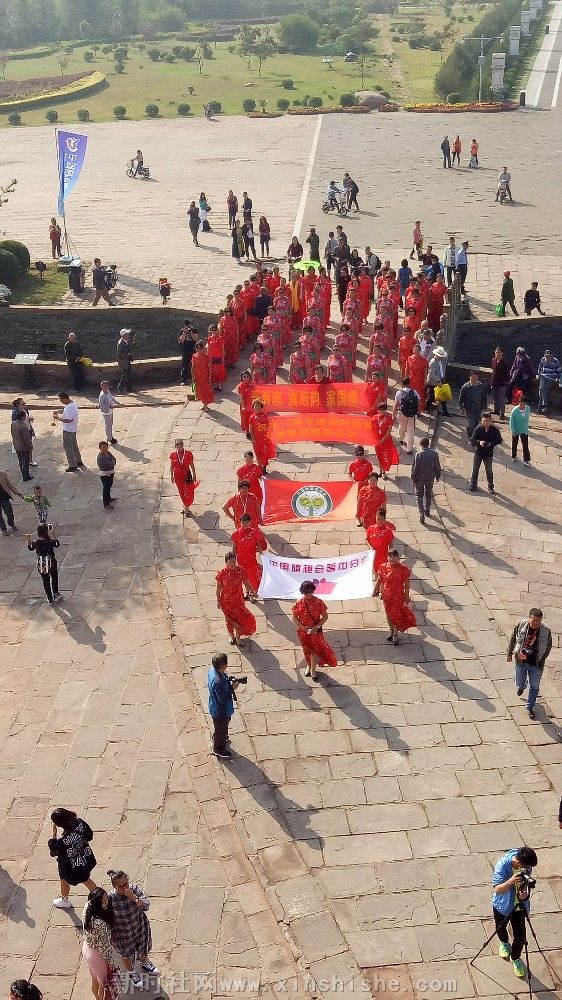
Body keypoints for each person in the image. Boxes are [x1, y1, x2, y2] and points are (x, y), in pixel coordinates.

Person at [491, 846, 538, 977]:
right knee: (500, 927)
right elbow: (497, 889)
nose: (528, 868)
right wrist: (511, 881)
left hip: (519, 906)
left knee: (520, 937)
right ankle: (504, 942)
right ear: (519, 862)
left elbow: (527, 883)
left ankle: (515, 957)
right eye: (526, 866)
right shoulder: (502, 865)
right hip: (503, 904)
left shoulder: (526, 864)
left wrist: (526, 893)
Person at [107, 869, 158, 988]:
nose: (126, 887)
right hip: (122, 933)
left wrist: (134, 898)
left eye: (126, 883)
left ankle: (144, 963)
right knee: (126, 956)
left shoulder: (134, 889)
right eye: (122, 886)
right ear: (115, 886)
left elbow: (146, 905)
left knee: (143, 948)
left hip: (139, 926)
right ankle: (132, 972)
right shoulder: (110, 899)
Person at [507, 608, 552, 720]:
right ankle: (522, 686)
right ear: (529, 618)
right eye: (533, 620)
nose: (536, 623)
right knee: (519, 681)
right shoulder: (521, 625)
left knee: (535, 686)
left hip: (536, 664)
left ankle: (530, 707)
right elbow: (513, 638)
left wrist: (542, 659)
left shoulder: (546, 630)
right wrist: (510, 653)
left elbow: (548, 646)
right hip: (521, 661)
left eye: (538, 621)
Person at [48, 807, 96, 907]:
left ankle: (65, 900)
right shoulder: (80, 823)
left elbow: (54, 851)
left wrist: (54, 836)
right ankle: (98, 897)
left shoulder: (63, 841)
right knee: (86, 879)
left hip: (70, 866)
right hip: (84, 858)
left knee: (64, 880)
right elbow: (89, 836)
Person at [292, 580, 337, 679]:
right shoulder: (298, 603)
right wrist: (303, 627)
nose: (308, 595)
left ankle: (312, 669)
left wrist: (317, 626)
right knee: (306, 650)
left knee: (314, 651)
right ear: (302, 592)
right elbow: (294, 618)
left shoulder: (318, 602)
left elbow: (325, 617)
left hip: (316, 632)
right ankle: (309, 665)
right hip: (303, 632)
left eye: (310, 592)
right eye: (306, 593)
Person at [82, 887, 121, 1000]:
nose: (106, 903)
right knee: (103, 984)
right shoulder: (101, 924)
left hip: (88, 948)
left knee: (94, 978)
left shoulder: (88, 906)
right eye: (103, 902)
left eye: (106, 899)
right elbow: (104, 947)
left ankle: (96, 997)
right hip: (98, 955)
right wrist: (110, 962)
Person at [374, 549, 416, 645]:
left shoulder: (403, 568)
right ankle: (391, 630)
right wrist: (378, 591)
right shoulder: (383, 567)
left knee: (396, 615)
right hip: (387, 596)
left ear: (398, 557)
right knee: (388, 615)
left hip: (398, 596)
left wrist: (406, 596)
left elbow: (407, 584)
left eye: (394, 556)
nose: (392, 558)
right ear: (387, 557)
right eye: (390, 556)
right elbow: (380, 580)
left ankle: (396, 634)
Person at [215, 551, 257, 646]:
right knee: (229, 620)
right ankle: (231, 634)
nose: (233, 564)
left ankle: (238, 637)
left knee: (240, 619)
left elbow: (246, 582)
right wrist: (218, 600)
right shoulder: (221, 573)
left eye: (234, 561)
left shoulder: (240, 571)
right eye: (230, 562)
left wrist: (253, 592)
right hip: (226, 602)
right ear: (226, 562)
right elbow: (218, 589)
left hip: (238, 601)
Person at [207, 652, 239, 759]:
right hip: (220, 711)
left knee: (220, 728)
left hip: (214, 706)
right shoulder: (218, 682)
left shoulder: (212, 670)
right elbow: (223, 699)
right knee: (221, 728)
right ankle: (218, 748)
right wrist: (232, 689)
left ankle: (218, 737)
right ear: (224, 665)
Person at [231, 513, 267, 593]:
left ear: (250, 522)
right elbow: (234, 548)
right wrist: (233, 560)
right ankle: (247, 591)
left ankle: (254, 591)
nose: (245, 524)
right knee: (244, 576)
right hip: (241, 560)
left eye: (247, 522)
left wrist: (261, 554)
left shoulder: (254, 532)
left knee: (253, 575)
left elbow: (258, 543)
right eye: (243, 522)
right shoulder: (236, 534)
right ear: (240, 522)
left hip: (251, 559)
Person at [27, 523, 61, 603]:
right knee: (54, 577)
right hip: (51, 562)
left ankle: (50, 598)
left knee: (45, 581)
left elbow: (30, 548)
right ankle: (56, 593)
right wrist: (54, 534)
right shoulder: (50, 541)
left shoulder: (36, 542)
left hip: (42, 563)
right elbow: (57, 544)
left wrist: (29, 539)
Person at [469, 412, 502, 494]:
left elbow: (499, 440)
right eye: (484, 421)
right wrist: (479, 442)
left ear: (490, 421)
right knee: (475, 469)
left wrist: (491, 444)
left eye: (487, 421)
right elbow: (472, 439)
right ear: (481, 421)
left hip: (488, 454)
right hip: (478, 452)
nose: (485, 423)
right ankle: (473, 485)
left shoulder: (495, 430)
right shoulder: (478, 429)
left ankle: (490, 487)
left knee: (489, 471)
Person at [411, 436, 441, 523]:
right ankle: (427, 510)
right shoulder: (434, 454)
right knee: (428, 494)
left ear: (421, 444)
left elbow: (414, 469)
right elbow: (437, 466)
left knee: (419, 496)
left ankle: (421, 513)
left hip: (420, 479)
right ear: (428, 444)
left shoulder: (418, 454)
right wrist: (437, 476)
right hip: (430, 478)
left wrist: (413, 479)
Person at [53, 392, 82, 473]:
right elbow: (65, 409)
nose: (61, 401)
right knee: (74, 445)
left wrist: (58, 418)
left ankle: (72, 465)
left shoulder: (69, 407)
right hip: (73, 429)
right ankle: (78, 460)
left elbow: (68, 420)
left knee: (68, 447)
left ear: (65, 399)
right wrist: (57, 411)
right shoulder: (72, 403)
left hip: (68, 430)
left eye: (61, 399)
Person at [170, 439, 197, 516]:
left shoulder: (188, 454)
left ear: (183, 444)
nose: (179, 445)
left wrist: (194, 474)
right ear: (175, 446)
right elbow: (172, 466)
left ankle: (186, 506)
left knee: (188, 492)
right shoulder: (173, 455)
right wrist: (171, 476)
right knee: (181, 492)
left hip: (187, 477)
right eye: (177, 444)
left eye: (181, 444)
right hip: (178, 477)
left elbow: (192, 465)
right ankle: (186, 508)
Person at [393, 377, 419, 454]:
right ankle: (409, 449)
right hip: (412, 415)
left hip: (402, 414)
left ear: (402, 384)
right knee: (411, 432)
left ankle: (401, 439)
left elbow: (395, 405)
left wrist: (393, 415)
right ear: (409, 383)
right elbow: (418, 401)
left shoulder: (399, 393)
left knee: (402, 426)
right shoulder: (414, 392)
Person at [248, 400, 276, 474]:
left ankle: (264, 468)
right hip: (256, 440)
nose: (257, 408)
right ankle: (259, 467)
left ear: (261, 407)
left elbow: (270, 425)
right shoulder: (252, 417)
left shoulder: (265, 416)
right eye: (255, 406)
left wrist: (269, 434)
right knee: (257, 453)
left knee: (265, 453)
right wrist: (253, 438)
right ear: (253, 407)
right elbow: (251, 429)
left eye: (258, 406)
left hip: (265, 439)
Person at [459, 371, 488, 439]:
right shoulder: (465, 387)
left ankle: (470, 430)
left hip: (478, 407)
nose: (475, 379)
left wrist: (484, 406)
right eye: (473, 377)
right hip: (469, 408)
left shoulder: (480, 386)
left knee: (476, 422)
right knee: (472, 423)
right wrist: (461, 407)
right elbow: (461, 398)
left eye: (476, 377)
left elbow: (483, 396)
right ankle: (471, 436)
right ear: (470, 377)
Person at [11, 410, 33, 482]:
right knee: (25, 462)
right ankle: (26, 476)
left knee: (20, 460)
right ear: (23, 417)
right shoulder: (23, 426)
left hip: (17, 445)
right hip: (23, 447)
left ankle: (22, 472)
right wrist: (30, 446)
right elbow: (27, 439)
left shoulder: (13, 424)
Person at [191, 341, 214, 411]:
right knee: (200, 391)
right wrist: (193, 376)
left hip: (205, 376)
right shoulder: (194, 356)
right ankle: (204, 404)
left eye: (201, 348)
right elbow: (193, 367)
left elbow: (210, 368)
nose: (199, 350)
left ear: (204, 348)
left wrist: (209, 377)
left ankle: (205, 405)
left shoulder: (208, 357)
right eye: (198, 349)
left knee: (205, 391)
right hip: (197, 376)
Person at [425, 346, 449, 415]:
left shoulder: (439, 361)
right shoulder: (433, 362)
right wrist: (438, 381)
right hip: (433, 382)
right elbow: (432, 374)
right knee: (431, 397)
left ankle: (445, 411)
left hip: (439, 381)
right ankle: (426, 408)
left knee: (442, 397)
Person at [537, 349, 561, 413]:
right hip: (543, 375)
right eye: (546, 356)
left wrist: (558, 378)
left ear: (551, 355)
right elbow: (539, 368)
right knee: (541, 388)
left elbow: (559, 370)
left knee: (545, 390)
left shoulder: (555, 360)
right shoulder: (542, 359)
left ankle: (539, 408)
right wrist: (539, 374)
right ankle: (545, 405)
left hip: (552, 376)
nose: (547, 357)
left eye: (548, 356)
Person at [509, 396, 531, 465]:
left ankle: (526, 460)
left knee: (525, 445)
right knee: (514, 443)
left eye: (522, 403)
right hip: (516, 429)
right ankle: (513, 456)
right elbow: (511, 421)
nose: (521, 404)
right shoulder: (515, 410)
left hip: (524, 429)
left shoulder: (528, 409)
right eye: (520, 403)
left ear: (525, 403)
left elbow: (526, 419)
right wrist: (513, 431)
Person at [0, 469, 23, 535]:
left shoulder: (3, 474)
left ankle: (11, 523)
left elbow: (9, 485)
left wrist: (17, 492)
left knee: (10, 513)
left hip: (4, 498)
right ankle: (3, 529)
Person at [491, 346, 510, 419]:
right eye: (496, 352)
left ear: (502, 353)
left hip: (501, 384)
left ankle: (502, 413)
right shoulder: (493, 360)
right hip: (494, 382)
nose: (497, 354)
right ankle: (496, 410)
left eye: (498, 352)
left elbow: (507, 375)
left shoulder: (505, 363)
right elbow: (493, 371)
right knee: (495, 398)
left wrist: (505, 382)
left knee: (501, 399)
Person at [97, 441, 117, 510]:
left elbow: (114, 459)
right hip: (105, 475)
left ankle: (109, 498)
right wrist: (112, 461)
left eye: (106, 447)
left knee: (109, 487)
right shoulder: (101, 457)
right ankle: (106, 504)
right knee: (106, 489)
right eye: (103, 448)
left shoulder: (108, 453)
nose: (105, 449)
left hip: (110, 472)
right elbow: (110, 464)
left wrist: (112, 461)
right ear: (100, 448)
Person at [117, 329, 133, 393]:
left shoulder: (125, 341)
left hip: (126, 361)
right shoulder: (121, 343)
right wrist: (128, 354)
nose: (128, 335)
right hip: (123, 362)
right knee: (125, 375)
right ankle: (120, 388)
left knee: (129, 375)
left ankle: (129, 388)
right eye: (127, 334)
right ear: (124, 335)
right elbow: (119, 354)